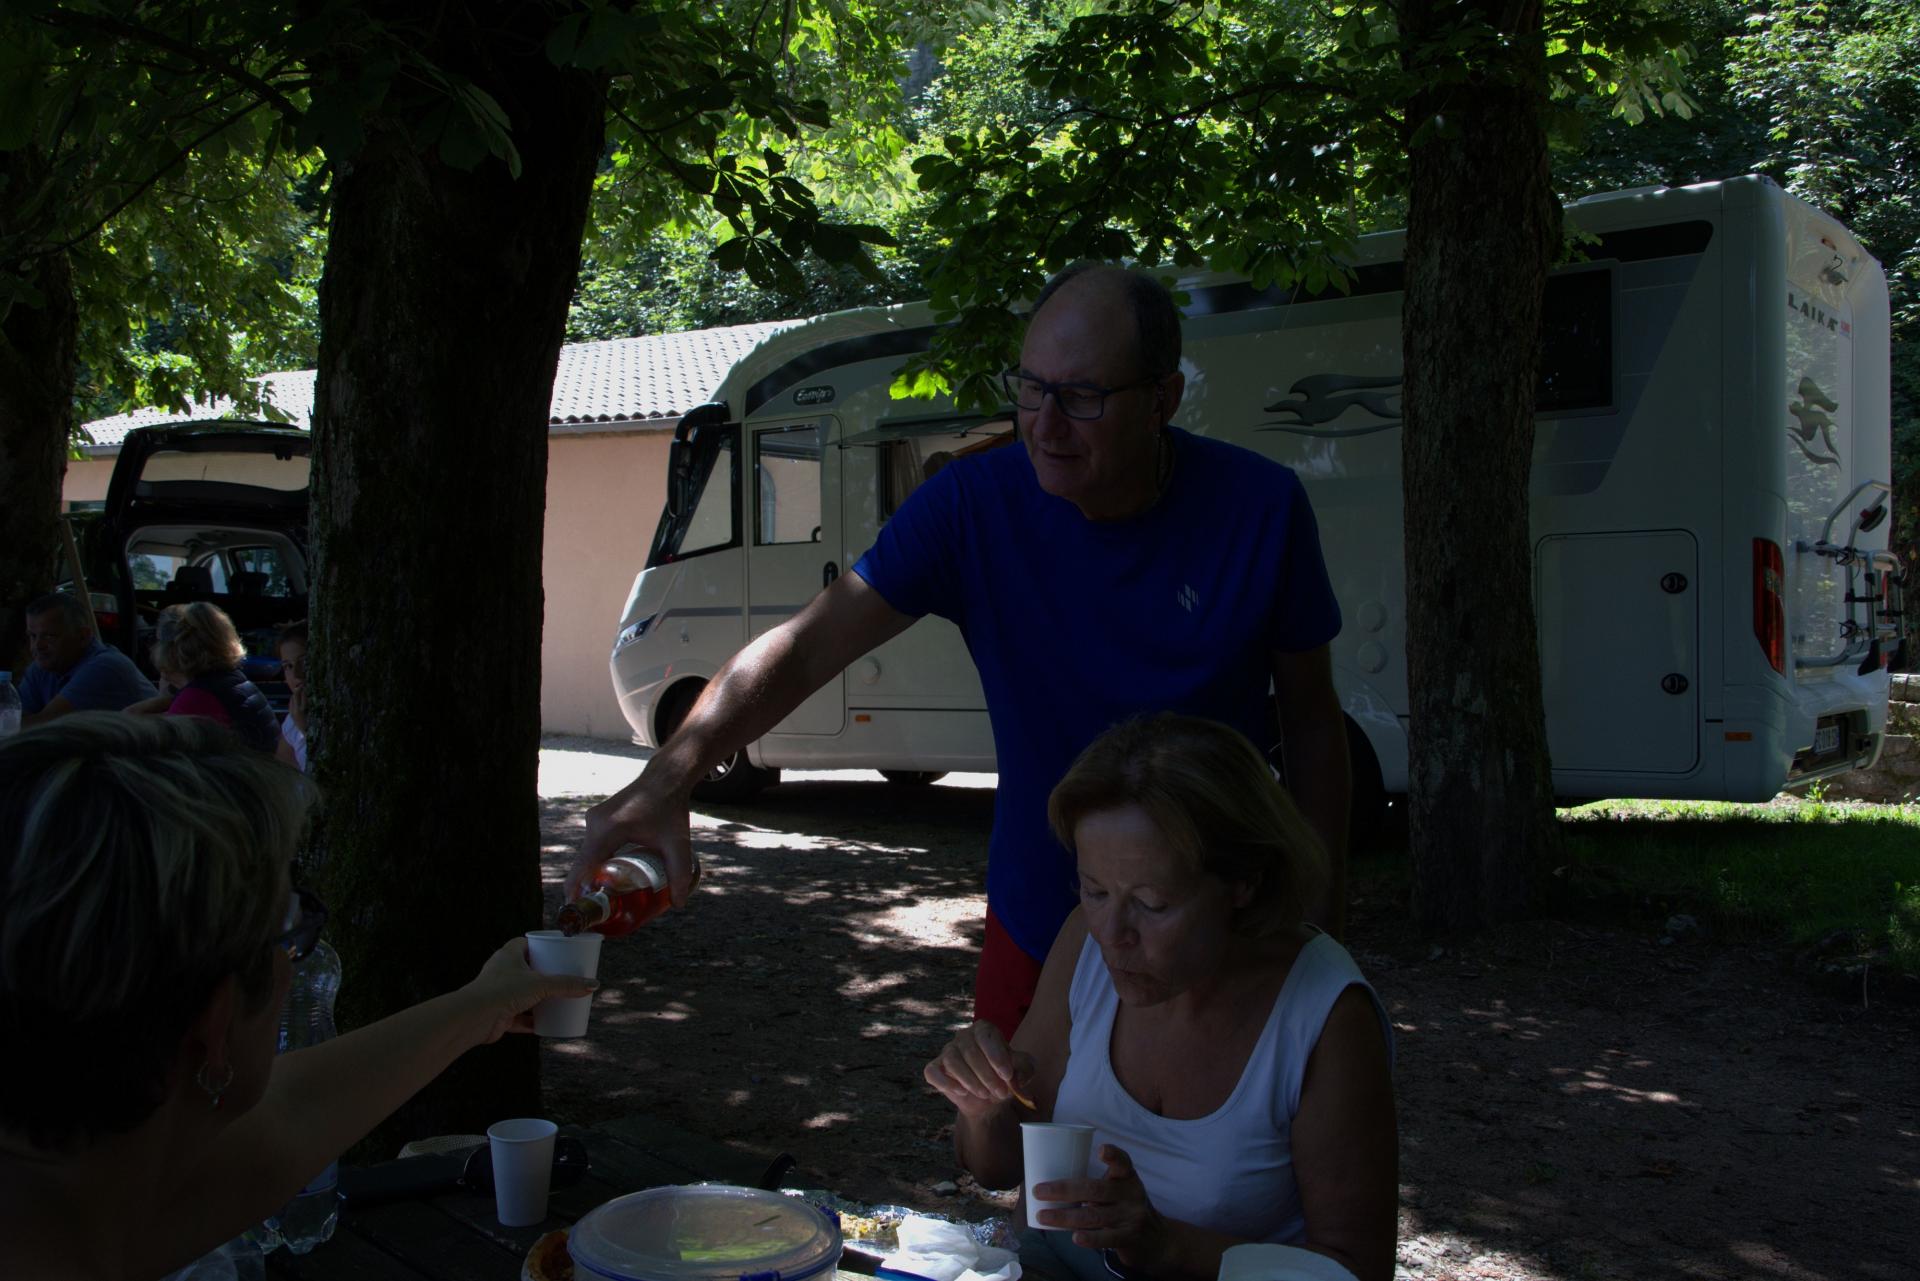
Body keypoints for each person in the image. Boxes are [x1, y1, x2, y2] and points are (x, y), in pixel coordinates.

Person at [572, 263, 1351, 1038]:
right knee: (1011, 1145)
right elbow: (807, 648)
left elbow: (1313, 724)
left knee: (1211, 1155)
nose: (1043, 426)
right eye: (1031, 387)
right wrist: (667, 778)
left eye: (1081, 397)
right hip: (1042, 913)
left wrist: (1311, 917)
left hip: (1215, 928)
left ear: (1162, 400)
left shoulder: (1261, 509)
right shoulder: (972, 506)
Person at [0, 714, 595, 1281]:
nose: (295, 964)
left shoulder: (79, 1187)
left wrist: (482, 1006)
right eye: (288, 934)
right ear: (214, 1026)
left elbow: (293, 1115)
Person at [922, 715, 1396, 1281]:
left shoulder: (1325, 1016)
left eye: (1152, 903)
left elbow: (1357, 1270)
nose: (1112, 933)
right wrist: (982, 1109)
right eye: (1095, 890)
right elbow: (998, 1167)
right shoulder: (1084, 942)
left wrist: (1168, 1246)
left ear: (1244, 881)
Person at [127, 602, 279, 754]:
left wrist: (164, 697)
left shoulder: (198, 697)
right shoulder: (228, 682)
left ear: (171, 650)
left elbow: (149, 745)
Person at [18, 591, 158, 727]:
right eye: (32, 636)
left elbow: (41, 727)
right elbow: (15, 720)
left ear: (83, 636)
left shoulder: (105, 667)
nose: (38, 646)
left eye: (49, 636)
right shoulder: (42, 667)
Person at [274, 620, 310, 772]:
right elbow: (281, 773)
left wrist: (306, 729)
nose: (296, 675)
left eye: (305, 662)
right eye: (288, 666)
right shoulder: (293, 717)